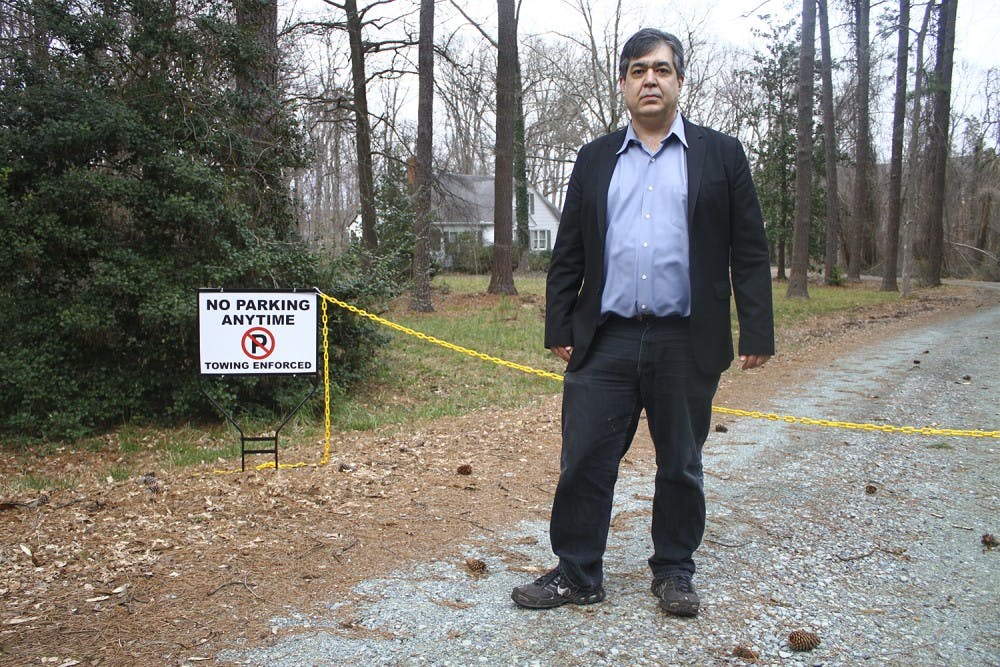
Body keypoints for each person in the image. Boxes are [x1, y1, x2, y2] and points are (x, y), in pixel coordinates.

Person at [511, 28, 774, 617]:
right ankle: (578, 572)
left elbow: (749, 250)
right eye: (636, 70)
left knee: (680, 460)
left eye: (660, 69)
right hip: (605, 337)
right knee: (583, 459)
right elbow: (570, 249)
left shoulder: (721, 154)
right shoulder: (595, 157)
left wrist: (757, 328)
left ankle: (674, 569)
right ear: (625, 84)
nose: (649, 79)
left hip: (686, 338)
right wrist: (559, 324)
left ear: (679, 80)